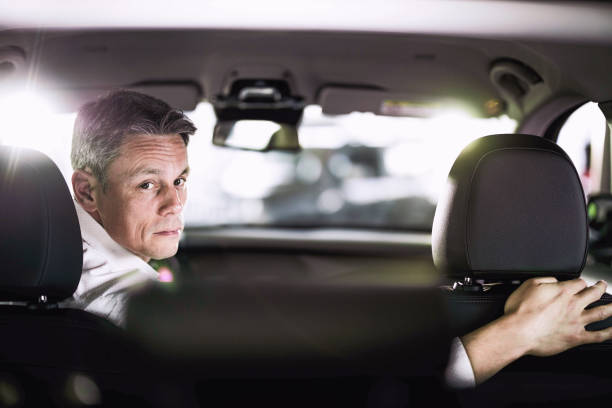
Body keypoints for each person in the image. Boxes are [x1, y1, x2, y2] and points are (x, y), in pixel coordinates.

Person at [62, 90, 612, 387]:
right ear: (86, 192)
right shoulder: (113, 302)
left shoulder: (59, 267)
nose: (175, 203)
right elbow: (336, 387)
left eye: (180, 180)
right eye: (147, 184)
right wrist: (520, 332)